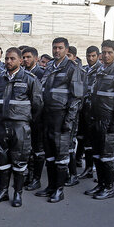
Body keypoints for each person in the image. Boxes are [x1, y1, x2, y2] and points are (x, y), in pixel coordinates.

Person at [0, 47, 43, 207]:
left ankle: (17, 193)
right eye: (6, 59)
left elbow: (37, 105)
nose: (8, 62)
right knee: (2, 161)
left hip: (20, 127)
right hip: (1, 126)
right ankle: (3, 191)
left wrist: (26, 121)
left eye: (12, 58)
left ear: (20, 60)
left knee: (19, 163)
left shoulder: (30, 79)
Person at [36, 37, 84, 203]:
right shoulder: (49, 66)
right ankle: (50, 186)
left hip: (61, 117)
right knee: (49, 154)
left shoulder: (72, 68)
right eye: (54, 48)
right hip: (47, 116)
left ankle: (59, 189)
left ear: (67, 50)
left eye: (60, 48)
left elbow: (77, 97)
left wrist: (68, 121)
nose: (56, 51)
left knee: (61, 156)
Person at [83, 40, 114, 200]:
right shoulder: (99, 71)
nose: (106, 55)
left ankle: (109, 188)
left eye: (109, 52)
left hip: (108, 121)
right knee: (96, 155)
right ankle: (101, 184)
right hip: (95, 119)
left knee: (107, 156)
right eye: (104, 52)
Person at [21, 47, 46, 190]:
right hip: (25, 118)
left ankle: (36, 179)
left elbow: (40, 100)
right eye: (23, 57)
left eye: (28, 57)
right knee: (27, 150)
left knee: (37, 150)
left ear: (36, 58)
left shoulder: (41, 74)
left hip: (38, 118)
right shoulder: (22, 74)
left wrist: (35, 118)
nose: (25, 60)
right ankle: (28, 176)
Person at [77, 46, 101, 179]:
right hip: (83, 110)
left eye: (93, 56)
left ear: (98, 56)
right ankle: (88, 168)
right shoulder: (83, 69)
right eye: (88, 56)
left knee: (95, 142)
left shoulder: (101, 70)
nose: (90, 58)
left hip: (95, 111)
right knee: (86, 140)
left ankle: (96, 169)